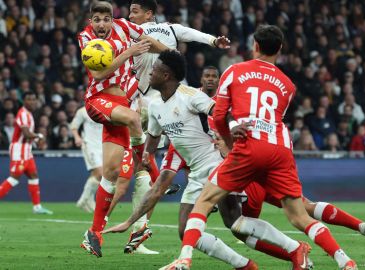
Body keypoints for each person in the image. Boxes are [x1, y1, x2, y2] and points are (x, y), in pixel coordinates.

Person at [160, 25, 358, 270]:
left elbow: (220, 116)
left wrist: (231, 146)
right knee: (299, 215)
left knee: (204, 201)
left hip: (248, 146)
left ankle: (184, 260)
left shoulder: (234, 71)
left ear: (255, 46)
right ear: (281, 49)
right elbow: (276, 118)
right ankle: (344, 260)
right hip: (280, 149)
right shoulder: (288, 85)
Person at [105, 51, 260, 270]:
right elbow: (154, 135)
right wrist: (148, 154)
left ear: (166, 75)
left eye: (155, 69)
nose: (150, 72)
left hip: (217, 163)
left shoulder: (191, 96)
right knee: (186, 228)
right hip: (195, 169)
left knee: (235, 223)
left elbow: (220, 112)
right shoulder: (157, 106)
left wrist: (232, 129)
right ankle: (244, 265)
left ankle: (292, 248)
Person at [101, 0, 232, 255]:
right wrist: (214, 41)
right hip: (150, 101)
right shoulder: (142, 29)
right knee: (144, 163)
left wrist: (214, 41)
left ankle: (141, 217)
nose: (130, 15)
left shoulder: (157, 29)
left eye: (135, 11)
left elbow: (191, 34)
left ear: (149, 14)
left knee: (143, 164)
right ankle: (142, 217)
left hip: (154, 101)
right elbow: (192, 34)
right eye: (129, 11)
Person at [77, 1, 169, 258]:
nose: (102, 25)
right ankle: (149, 164)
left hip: (119, 104)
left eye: (106, 19)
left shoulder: (124, 27)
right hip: (99, 100)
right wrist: (129, 52)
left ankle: (93, 233)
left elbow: (149, 40)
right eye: (97, 19)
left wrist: (170, 54)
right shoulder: (86, 37)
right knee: (135, 118)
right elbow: (97, 74)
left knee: (111, 173)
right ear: (91, 21)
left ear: (112, 19)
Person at [0, 91, 53, 214]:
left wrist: (36, 141)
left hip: (27, 150)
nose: (32, 101)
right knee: (14, 178)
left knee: (33, 176)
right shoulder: (23, 113)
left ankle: (37, 207)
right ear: (24, 101)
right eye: (29, 99)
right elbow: (26, 134)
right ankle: (37, 207)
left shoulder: (29, 114)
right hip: (19, 149)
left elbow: (28, 136)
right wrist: (39, 136)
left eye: (34, 99)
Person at [70, 106, 103, 213]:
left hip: (104, 146)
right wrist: (77, 137)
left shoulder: (107, 109)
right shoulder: (83, 111)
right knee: (100, 173)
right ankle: (84, 200)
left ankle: (88, 199)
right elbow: (74, 126)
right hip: (89, 145)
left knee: (96, 175)